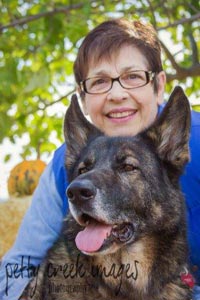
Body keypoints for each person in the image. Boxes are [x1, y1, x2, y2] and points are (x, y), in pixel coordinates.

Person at [0, 18, 200, 300]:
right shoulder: (64, 165)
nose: (117, 94)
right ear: (83, 98)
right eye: (100, 82)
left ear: (158, 86)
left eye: (133, 76)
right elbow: (18, 266)